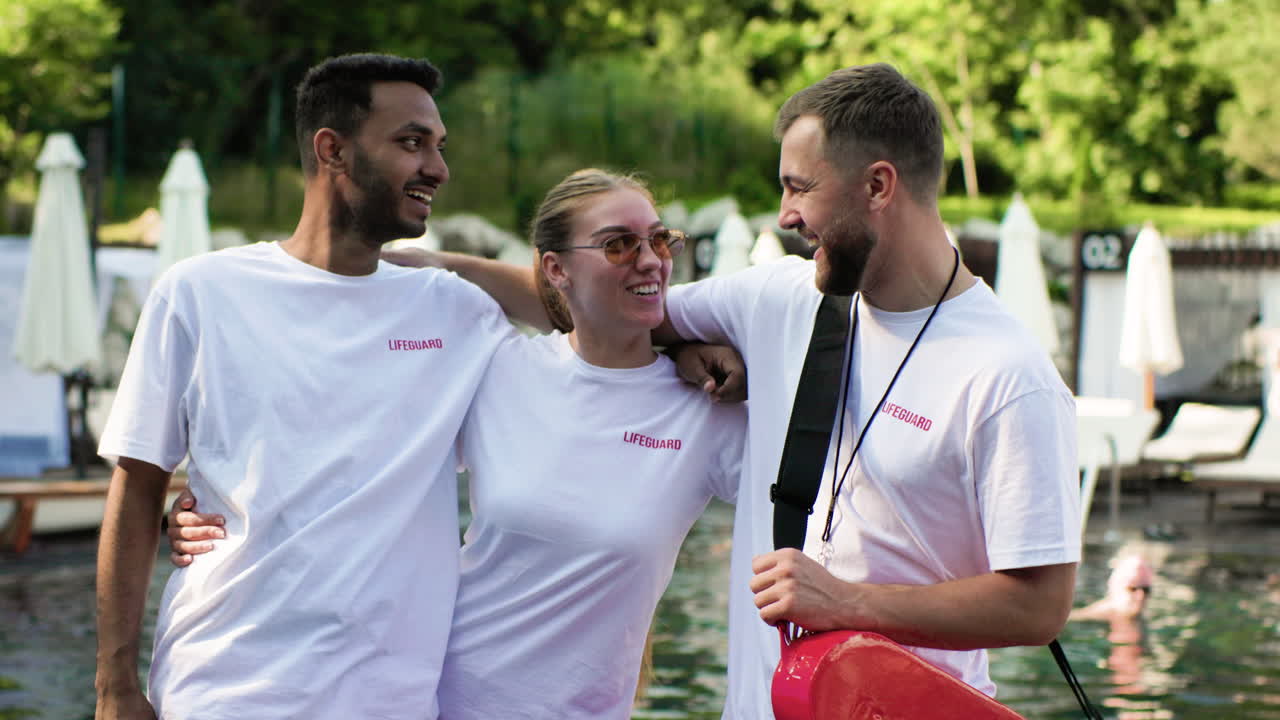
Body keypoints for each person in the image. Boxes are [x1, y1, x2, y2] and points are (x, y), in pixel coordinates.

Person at [363, 62, 1081, 717]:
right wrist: (409, 265)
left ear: (879, 186)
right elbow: (606, 306)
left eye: (800, 187)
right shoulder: (777, 298)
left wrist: (851, 603)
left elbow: (1039, 607)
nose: (784, 216)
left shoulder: (1007, 374)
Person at [166, 168, 747, 719]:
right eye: (618, 244)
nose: (649, 260)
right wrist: (208, 509)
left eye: (660, 241)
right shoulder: (498, 366)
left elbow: (822, 504)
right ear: (556, 269)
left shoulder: (706, 409)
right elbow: (344, 447)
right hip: (431, 695)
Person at [94, 53, 517, 719]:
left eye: (439, 146)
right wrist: (114, 686)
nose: (437, 168)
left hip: (390, 702)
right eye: (412, 143)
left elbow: (586, 308)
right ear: (333, 150)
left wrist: (448, 259)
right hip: (219, 690)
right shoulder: (200, 291)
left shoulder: (458, 311)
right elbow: (138, 482)